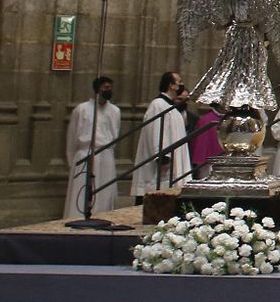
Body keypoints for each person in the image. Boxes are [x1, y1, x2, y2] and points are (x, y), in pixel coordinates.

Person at [63, 75, 121, 218]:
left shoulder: (115, 111)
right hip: (86, 152)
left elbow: (115, 133)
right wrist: (72, 161)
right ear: (98, 89)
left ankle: (102, 216)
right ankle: (77, 217)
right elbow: (72, 136)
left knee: (104, 190)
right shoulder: (81, 109)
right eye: (106, 87)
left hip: (106, 153)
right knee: (82, 190)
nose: (109, 90)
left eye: (110, 88)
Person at [131, 72, 193, 200]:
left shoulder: (170, 107)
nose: (182, 85)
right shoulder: (158, 105)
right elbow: (156, 131)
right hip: (162, 167)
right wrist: (162, 155)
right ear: (171, 85)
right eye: (179, 82)